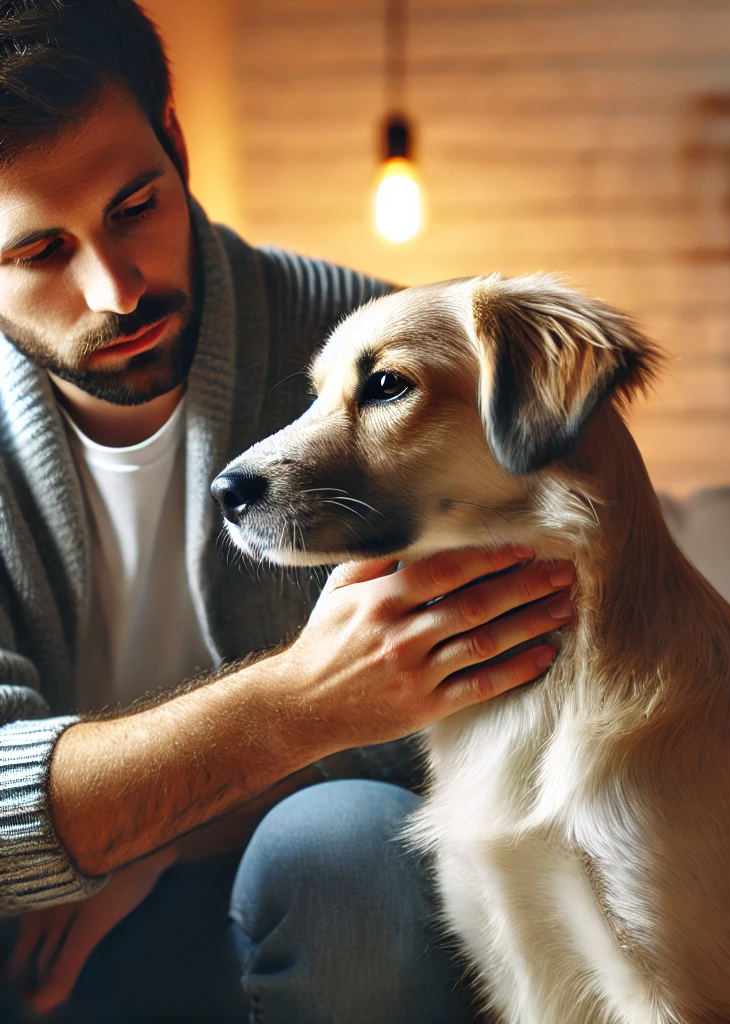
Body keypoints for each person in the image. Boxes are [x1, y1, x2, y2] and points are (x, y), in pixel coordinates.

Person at [0, 2, 578, 1022]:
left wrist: (155, 830)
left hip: (305, 898)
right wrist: (299, 702)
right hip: (34, 944)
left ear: (176, 144)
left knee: (350, 837)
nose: (118, 287)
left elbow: (506, 692)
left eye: (136, 203)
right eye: (41, 252)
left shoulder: (380, 362)